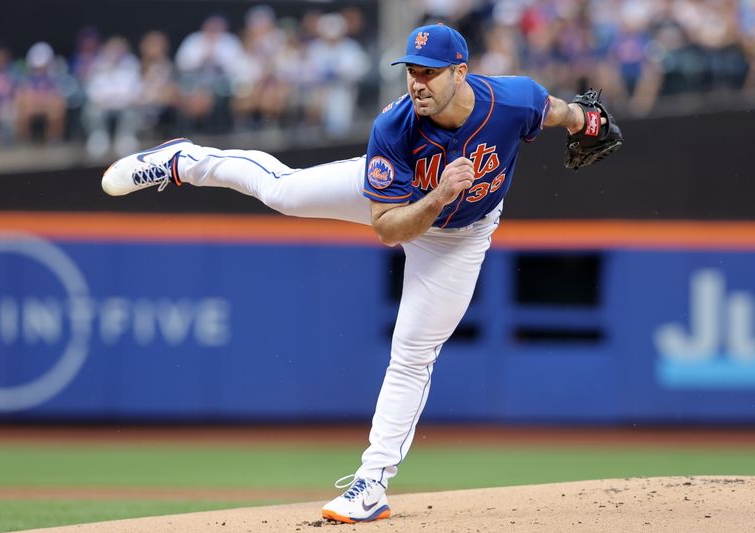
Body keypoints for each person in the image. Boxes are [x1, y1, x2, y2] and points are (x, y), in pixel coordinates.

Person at [103, 23, 613, 523]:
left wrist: (583, 123)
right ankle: (185, 160)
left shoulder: (514, 99)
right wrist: (439, 195)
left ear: (460, 72)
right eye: (412, 70)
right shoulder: (395, 126)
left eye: (431, 72)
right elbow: (389, 230)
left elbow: (557, 110)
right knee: (284, 192)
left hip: (464, 235)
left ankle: (371, 485)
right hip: (406, 206)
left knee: (413, 353)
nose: (418, 82)